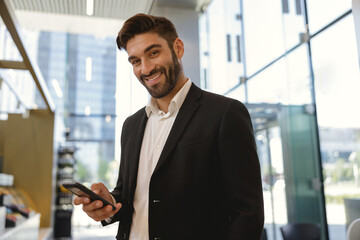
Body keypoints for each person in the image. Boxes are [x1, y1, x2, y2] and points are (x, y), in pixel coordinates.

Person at [74, 13, 264, 240]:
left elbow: (248, 213)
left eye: (153, 53)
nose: (145, 69)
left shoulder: (225, 114)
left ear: (178, 48)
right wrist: (110, 203)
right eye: (135, 61)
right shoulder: (131, 126)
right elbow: (134, 197)